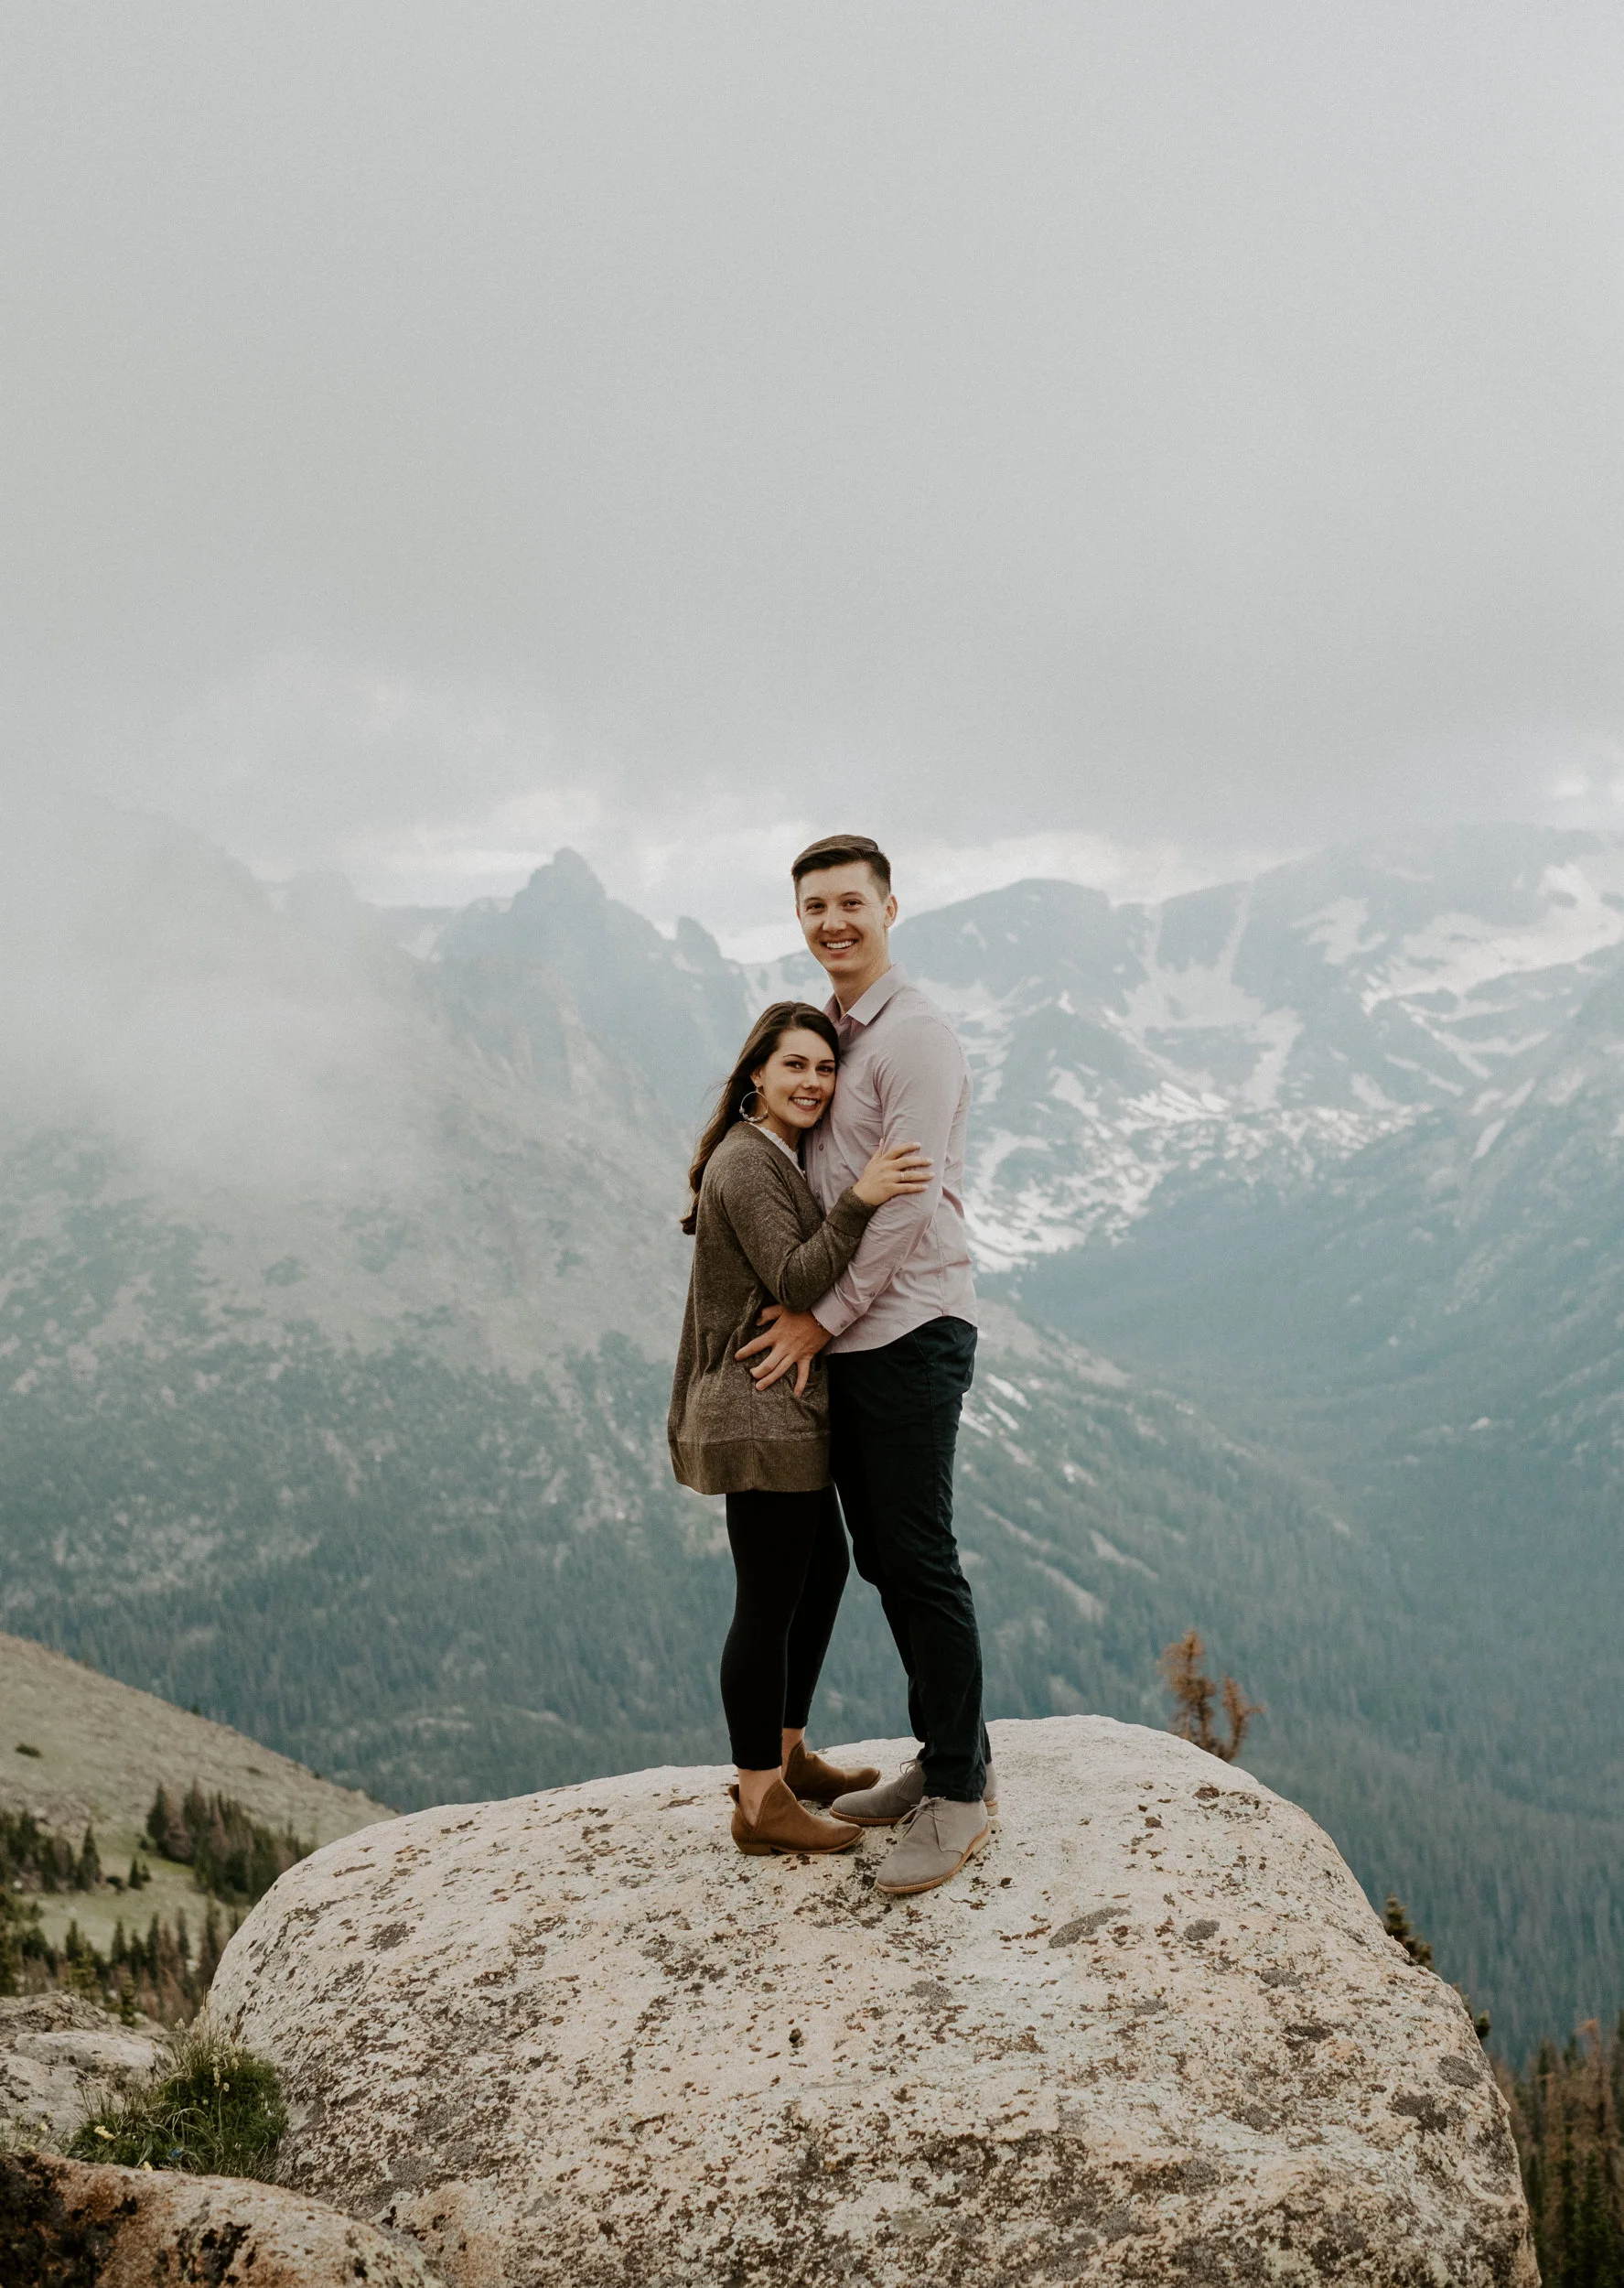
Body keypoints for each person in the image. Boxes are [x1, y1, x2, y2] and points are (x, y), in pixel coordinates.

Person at [737, 835, 996, 1899]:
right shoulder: (839, 1029)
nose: (831, 922)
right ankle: (941, 1756)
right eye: (813, 907)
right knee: (887, 1560)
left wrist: (817, 1317)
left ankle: (962, 1795)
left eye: (849, 902)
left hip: (904, 1330)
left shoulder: (914, 1038)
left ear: (891, 905)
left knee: (917, 1557)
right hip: (863, 1338)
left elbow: (909, 1206)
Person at [669, 999, 933, 1857]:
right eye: (795, 1066)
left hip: (777, 1407)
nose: (814, 1082)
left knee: (817, 1576)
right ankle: (757, 1804)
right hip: (756, 1409)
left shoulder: (768, 1152)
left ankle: (784, 1759)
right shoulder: (747, 1164)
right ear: (756, 1072)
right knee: (769, 1601)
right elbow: (794, 1277)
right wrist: (858, 1200)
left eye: (825, 1068)